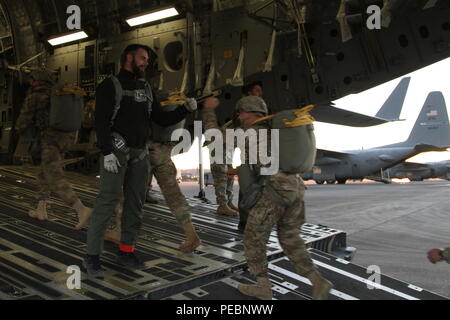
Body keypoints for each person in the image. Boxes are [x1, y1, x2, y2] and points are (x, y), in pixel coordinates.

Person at [202, 96, 333, 300]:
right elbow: (266, 159)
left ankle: (263, 286)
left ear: (247, 112)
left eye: (240, 113)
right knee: (290, 238)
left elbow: (213, 136)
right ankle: (317, 281)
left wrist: (208, 110)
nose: (238, 116)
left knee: (253, 237)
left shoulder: (250, 131)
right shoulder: (273, 130)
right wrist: (239, 170)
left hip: (277, 190)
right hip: (295, 188)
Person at [83, 44, 197, 278]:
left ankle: (127, 250)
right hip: (116, 151)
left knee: (135, 204)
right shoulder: (110, 86)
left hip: (140, 153)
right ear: (129, 57)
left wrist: (185, 110)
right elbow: (101, 122)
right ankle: (92, 256)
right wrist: (106, 152)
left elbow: (160, 119)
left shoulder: (146, 88)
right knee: (107, 201)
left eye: (147, 59)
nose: (146, 62)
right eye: (142, 58)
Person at [16, 68, 92, 229]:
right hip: (66, 138)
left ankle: (81, 209)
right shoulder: (57, 95)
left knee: (53, 176)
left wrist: (22, 132)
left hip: (50, 139)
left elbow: (22, 122)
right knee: (44, 172)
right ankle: (41, 209)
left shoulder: (35, 96)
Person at [104, 138, 202, 253]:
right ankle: (191, 234)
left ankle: (119, 231)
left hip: (144, 150)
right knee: (174, 195)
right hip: (164, 151)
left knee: (128, 192)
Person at [237, 81, 264, 231]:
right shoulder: (245, 110)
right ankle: (245, 221)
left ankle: (251, 222)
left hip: (261, 158)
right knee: (246, 188)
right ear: (249, 93)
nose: (260, 94)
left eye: (260, 91)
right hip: (247, 155)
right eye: (257, 90)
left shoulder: (262, 111)